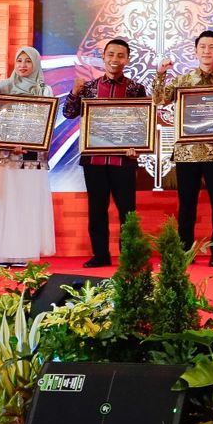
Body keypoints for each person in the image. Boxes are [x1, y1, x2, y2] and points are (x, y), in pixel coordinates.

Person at [152, 30, 213, 266]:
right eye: (202, 46)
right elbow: (159, 100)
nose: (207, 51)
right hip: (187, 152)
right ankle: (185, 251)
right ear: (195, 51)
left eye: (212, 47)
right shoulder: (183, 81)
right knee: (187, 205)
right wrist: (161, 73)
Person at [61, 37, 145, 268]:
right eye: (111, 54)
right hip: (94, 159)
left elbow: (142, 122)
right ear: (103, 57)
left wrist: (137, 146)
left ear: (127, 59)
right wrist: (74, 92)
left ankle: (128, 257)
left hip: (124, 160)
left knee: (127, 210)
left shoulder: (136, 89)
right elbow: (69, 113)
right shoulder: (88, 87)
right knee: (97, 210)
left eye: (120, 55)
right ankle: (100, 255)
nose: (115, 59)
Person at [0, 46, 56, 265]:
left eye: (28, 61)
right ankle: (2, 253)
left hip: (31, 158)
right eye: (19, 61)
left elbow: (47, 121)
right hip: (5, 156)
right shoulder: (3, 86)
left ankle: (23, 253)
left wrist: (26, 142)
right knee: (4, 204)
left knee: (27, 204)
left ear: (35, 64)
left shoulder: (43, 90)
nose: (23, 65)